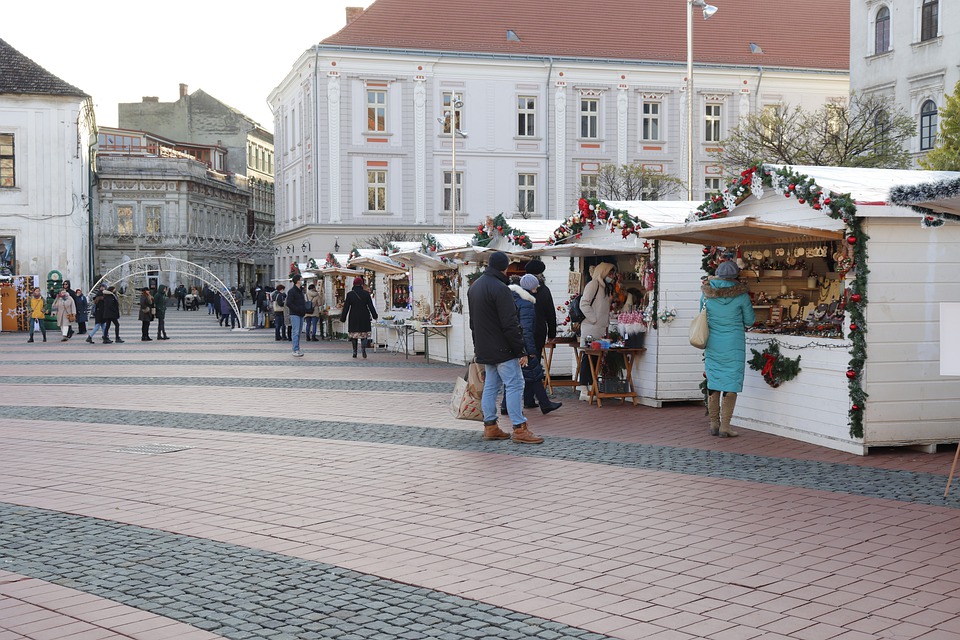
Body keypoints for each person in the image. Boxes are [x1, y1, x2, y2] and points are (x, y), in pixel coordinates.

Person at [467, 250, 543, 444]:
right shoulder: (501, 288)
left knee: (491, 386)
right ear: (505, 267)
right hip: (503, 348)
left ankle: (490, 425)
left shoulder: (474, 287)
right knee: (515, 384)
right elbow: (510, 323)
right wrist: (521, 350)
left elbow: (473, 322)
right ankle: (519, 428)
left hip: (484, 347)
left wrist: (478, 347)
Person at [702, 260, 756, 438]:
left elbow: (702, 317)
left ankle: (713, 424)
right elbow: (750, 321)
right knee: (731, 382)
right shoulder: (741, 296)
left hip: (713, 343)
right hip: (734, 343)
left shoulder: (707, 294)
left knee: (714, 380)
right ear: (735, 276)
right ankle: (725, 426)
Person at [510, 274, 562, 415]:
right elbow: (526, 329)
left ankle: (510, 405)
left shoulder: (512, 298)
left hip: (513, 343)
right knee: (534, 373)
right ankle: (544, 404)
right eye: (535, 285)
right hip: (524, 344)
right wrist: (529, 351)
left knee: (517, 376)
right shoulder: (526, 303)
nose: (538, 287)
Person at [578, 261, 617, 398]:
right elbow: (584, 303)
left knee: (596, 359)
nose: (612, 276)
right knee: (588, 357)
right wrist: (594, 319)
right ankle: (584, 388)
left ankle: (592, 387)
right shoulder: (593, 284)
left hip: (600, 328)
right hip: (591, 327)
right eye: (610, 273)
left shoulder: (605, 287)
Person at [523, 259, 557, 407]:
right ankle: (531, 399)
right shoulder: (544, 290)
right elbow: (550, 313)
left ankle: (528, 399)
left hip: (522, 333)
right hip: (538, 332)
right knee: (534, 364)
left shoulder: (518, 290)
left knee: (525, 366)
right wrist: (552, 333)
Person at [340, 276, 378, 358]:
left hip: (353, 316)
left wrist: (343, 318)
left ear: (354, 284)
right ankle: (363, 350)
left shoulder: (350, 294)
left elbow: (346, 307)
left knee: (354, 335)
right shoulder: (366, 294)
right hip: (364, 316)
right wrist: (375, 315)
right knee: (363, 334)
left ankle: (354, 352)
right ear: (361, 284)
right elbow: (371, 306)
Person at [286, 274, 307, 357]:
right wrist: (297, 309)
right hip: (295, 314)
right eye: (301, 279)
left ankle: (297, 348)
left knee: (298, 332)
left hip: (301, 314)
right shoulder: (292, 291)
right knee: (295, 332)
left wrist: (304, 309)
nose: (302, 281)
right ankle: (295, 349)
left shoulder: (301, 291)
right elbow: (289, 303)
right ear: (297, 281)